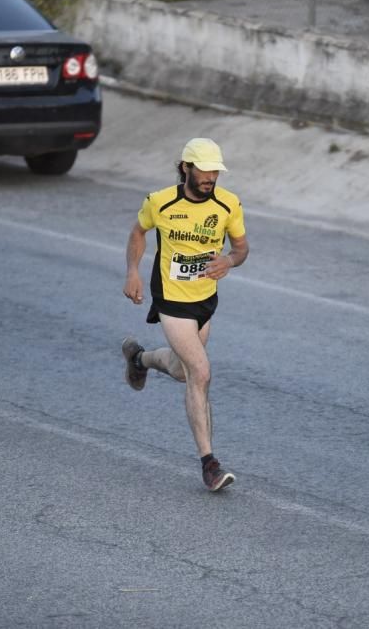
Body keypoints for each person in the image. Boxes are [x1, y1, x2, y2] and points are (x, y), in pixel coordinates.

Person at [122, 138, 249, 491]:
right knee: (201, 371)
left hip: (205, 300)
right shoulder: (160, 202)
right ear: (186, 168)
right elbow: (138, 233)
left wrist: (228, 261)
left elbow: (241, 248)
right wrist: (133, 270)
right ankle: (209, 463)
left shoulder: (228, 204)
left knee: (182, 371)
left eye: (215, 171)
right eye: (204, 170)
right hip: (172, 299)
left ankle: (139, 359)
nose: (210, 178)